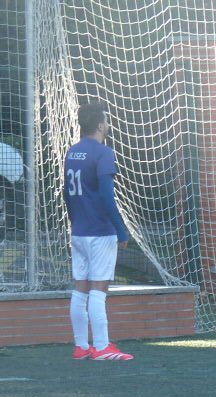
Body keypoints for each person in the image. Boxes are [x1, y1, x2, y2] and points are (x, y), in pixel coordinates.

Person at [63, 103, 132, 361]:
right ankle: (102, 347)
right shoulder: (104, 153)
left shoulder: (72, 151)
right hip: (100, 231)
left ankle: (81, 346)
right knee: (99, 288)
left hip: (79, 230)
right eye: (107, 120)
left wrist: (75, 221)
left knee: (80, 287)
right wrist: (121, 231)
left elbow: (67, 193)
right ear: (101, 125)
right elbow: (106, 196)